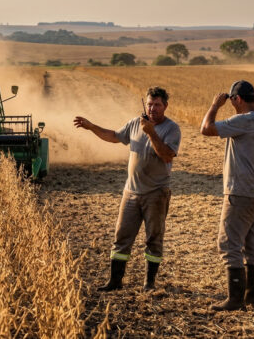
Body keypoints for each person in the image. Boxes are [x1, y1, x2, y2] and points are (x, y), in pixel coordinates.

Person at [74, 86, 181, 291]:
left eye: (157, 105)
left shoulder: (172, 129)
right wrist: (91, 126)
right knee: (121, 237)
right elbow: (114, 136)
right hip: (130, 192)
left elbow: (167, 155)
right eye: (150, 104)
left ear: (165, 106)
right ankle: (115, 282)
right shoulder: (134, 123)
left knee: (154, 239)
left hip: (156, 193)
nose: (152, 108)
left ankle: (149, 283)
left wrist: (151, 133)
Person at [200, 80, 254, 311]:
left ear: (237, 99)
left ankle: (234, 299)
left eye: (232, 99)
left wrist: (214, 105)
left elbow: (206, 128)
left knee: (228, 243)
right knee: (251, 243)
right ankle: (250, 296)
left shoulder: (245, 120)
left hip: (240, 192)